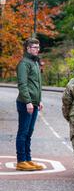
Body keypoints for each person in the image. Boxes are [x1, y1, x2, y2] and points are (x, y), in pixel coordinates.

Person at [15, 38, 44, 171]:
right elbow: (23, 84)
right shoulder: (24, 63)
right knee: (23, 132)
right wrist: (28, 101)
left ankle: (28, 159)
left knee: (29, 132)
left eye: (38, 47)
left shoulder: (35, 63)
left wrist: (39, 100)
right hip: (25, 103)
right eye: (34, 47)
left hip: (34, 103)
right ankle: (21, 160)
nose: (37, 49)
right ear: (27, 48)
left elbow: (36, 85)